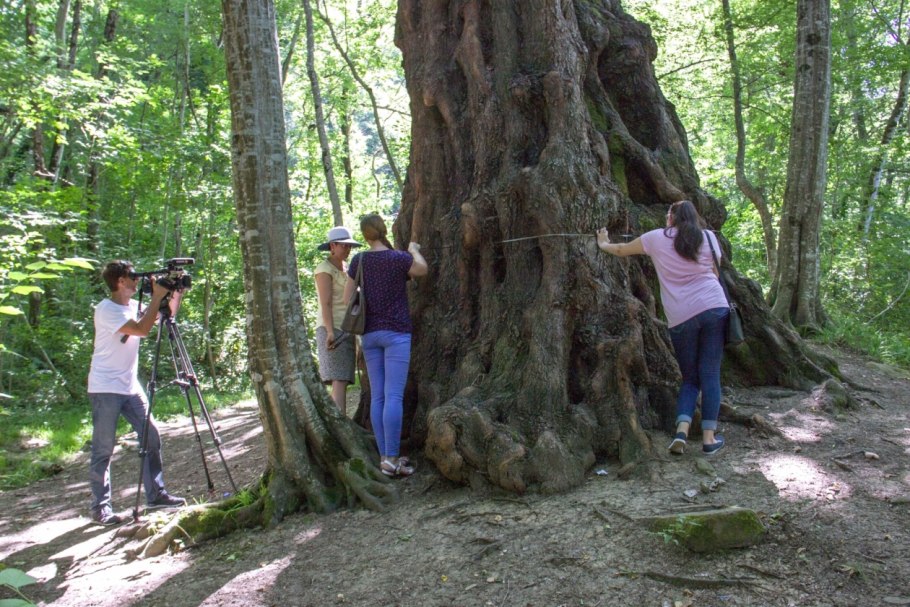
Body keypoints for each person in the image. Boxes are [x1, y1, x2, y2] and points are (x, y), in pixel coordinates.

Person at [596, 200, 729, 455]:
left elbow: (623, 249)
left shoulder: (657, 238)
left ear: (671, 217)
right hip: (714, 307)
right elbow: (715, 271)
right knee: (710, 373)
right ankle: (709, 440)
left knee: (690, 378)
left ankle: (681, 432)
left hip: (681, 315)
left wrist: (603, 243)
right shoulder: (709, 238)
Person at [87, 261, 187, 526]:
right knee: (103, 449)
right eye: (132, 276)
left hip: (130, 386)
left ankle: (156, 494)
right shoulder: (106, 309)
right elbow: (142, 330)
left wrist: (174, 293)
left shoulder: (133, 306)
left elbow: (165, 316)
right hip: (105, 387)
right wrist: (156, 296)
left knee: (151, 437)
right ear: (120, 281)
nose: (137, 279)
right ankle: (100, 507)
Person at [345, 214, 427, 477]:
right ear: (381, 231)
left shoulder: (359, 260)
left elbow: (348, 297)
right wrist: (414, 250)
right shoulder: (399, 258)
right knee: (393, 396)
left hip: (369, 334)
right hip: (397, 333)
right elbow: (422, 270)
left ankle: (385, 458)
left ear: (365, 235)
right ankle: (392, 458)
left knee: (378, 396)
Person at [314, 226, 362, 414]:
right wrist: (330, 331)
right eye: (344, 246)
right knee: (339, 379)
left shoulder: (347, 268)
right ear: (332, 246)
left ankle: (341, 419)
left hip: (348, 327)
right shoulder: (324, 269)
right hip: (331, 327)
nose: (348, 250)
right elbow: (325, 303)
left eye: (349, 247)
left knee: (343, 378)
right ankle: (340, 420)